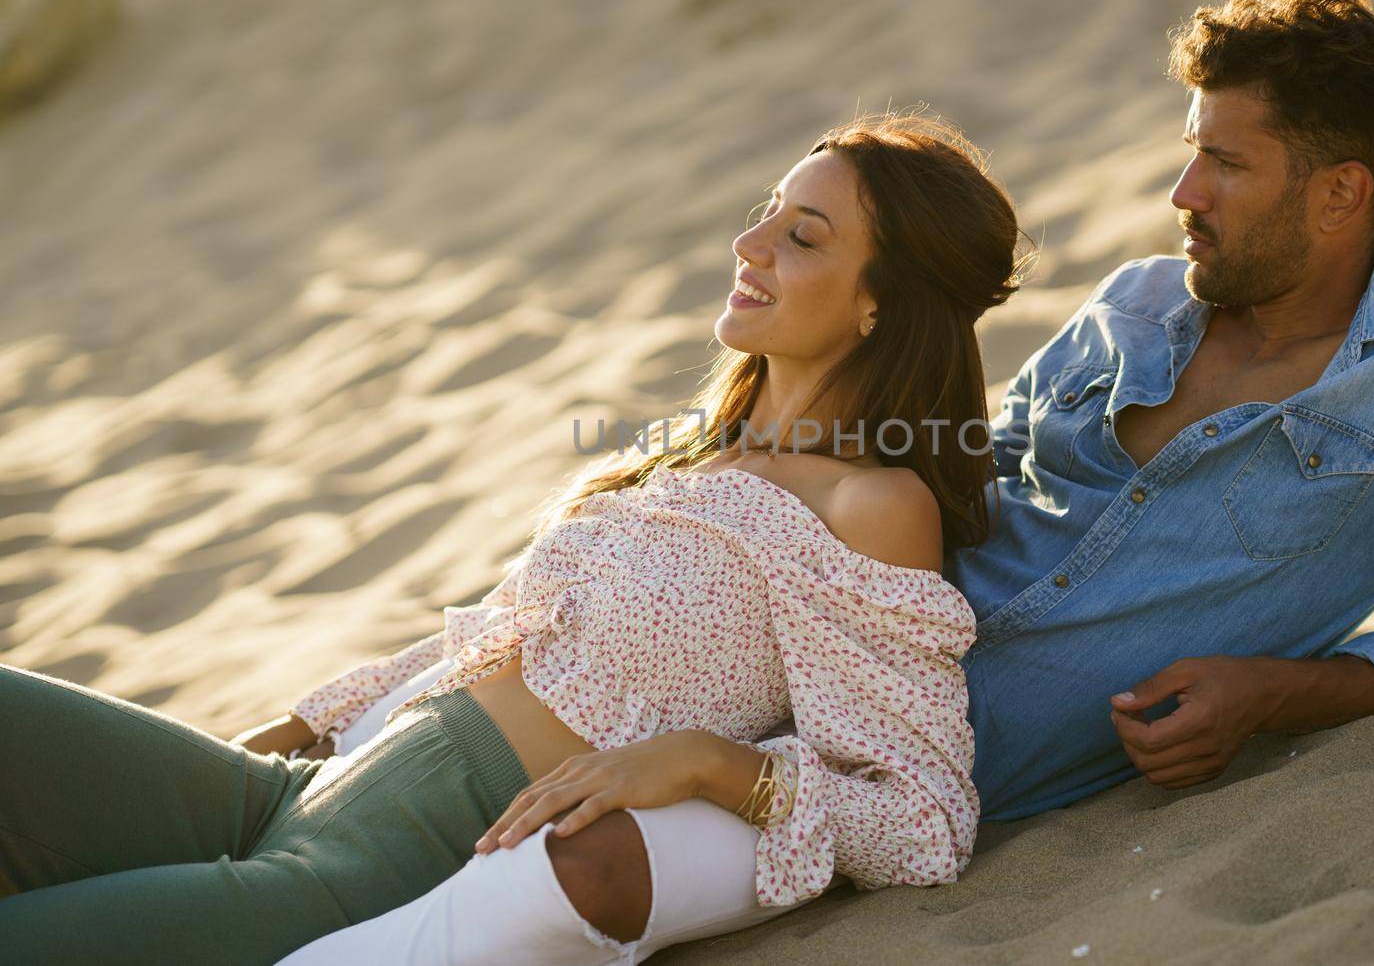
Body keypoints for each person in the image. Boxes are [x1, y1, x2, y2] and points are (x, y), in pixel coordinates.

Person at [276, 0, 1374, 966]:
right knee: (402, 811)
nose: (1181, 190)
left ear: (1341, 193)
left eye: (1225, 162)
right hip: (792, 662)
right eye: (1191, 148)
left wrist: (1270, 692)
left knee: (519, 872)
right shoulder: (1133, 306)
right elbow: (965, 468)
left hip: (913, 773)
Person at [0, 110, 1034, 964]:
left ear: (879, 305)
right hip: (302, 783)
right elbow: (500, 637)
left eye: (802, 236)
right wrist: (304, 721)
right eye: (767, 212)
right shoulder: (685, 456)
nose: (749, 244)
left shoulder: (868, 503)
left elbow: (922, 820)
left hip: (375, 856)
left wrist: (710, 764)